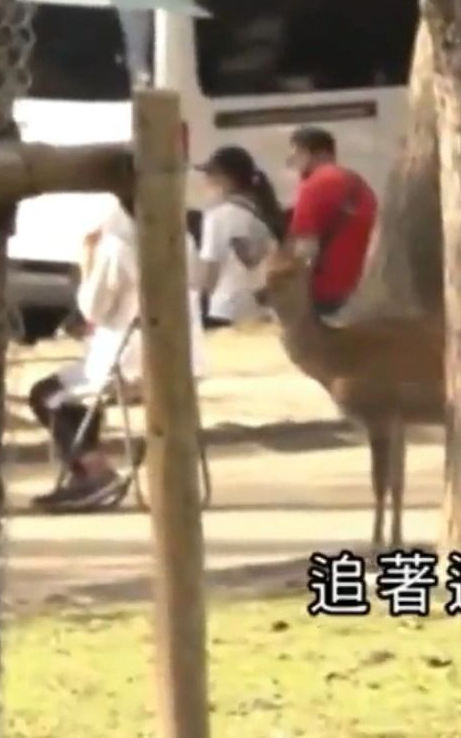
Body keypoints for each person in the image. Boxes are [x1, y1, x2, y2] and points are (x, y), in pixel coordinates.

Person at [28, 197, 206, 511]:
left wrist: (87, 261)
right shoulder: (183, 237)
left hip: (128, 363)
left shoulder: (116, 246)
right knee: (76, 386)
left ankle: (94, 471)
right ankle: (89, 473)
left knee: (46, 393)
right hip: (186, 360)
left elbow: (92, 308)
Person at [286, 126, 378, 318]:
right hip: (363, 286)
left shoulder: (313, 185)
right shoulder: (356, 182)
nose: (292, 162)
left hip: (327, 289)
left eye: (296, 154)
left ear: (313, 154)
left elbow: (306, 248)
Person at [195, 145, 286, 328]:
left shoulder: (217, 216)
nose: (205, 181)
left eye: (209, 175)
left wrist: (199, 300)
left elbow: (210, 272)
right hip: (260, 308)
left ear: (223, 178)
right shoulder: (263, 212)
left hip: (226, 310)